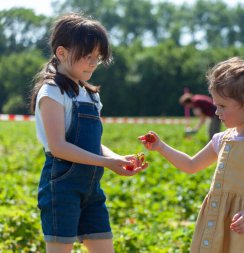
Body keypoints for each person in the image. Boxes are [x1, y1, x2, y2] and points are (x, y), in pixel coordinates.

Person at [140, 57, 244, 252]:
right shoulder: (220, 139)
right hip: (219, 220)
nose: (216, 112)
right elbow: (191, 165)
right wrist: (161, 147)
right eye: (216, 105)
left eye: (222, 106)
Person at [29, 13, 147, 253]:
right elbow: (59, 146)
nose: (93, 63)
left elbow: (93, 143)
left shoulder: (91, 94)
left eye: (97, 57)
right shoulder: (52, 91)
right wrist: (106, 161)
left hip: (92, 188)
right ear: (61, 53)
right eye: (86, 56)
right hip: (61, 185)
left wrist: (117, 158)